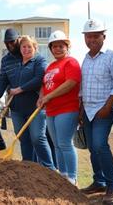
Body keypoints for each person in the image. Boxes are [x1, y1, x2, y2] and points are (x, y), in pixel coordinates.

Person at [78, 19, 113, 203]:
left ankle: (112, 185)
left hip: (105, 109)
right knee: (92, 148)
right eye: (88, 36)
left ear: (103, 37)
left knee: (99, 145)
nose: (91, 39)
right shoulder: (85, 59)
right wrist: (81, 110)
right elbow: (83, 86)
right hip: (89, 110)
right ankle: (99, 181)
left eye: (95, 36)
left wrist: (107, 107)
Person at [0, 30, 55, 170]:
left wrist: (19, 89)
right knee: (24, 139)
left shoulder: (38, 60)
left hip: (35, 107)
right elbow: (3, 79)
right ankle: (29, 168)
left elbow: (39, 79)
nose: (26, 49)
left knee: (38, 138)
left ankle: (49, 169)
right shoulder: (14, 62)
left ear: (34, 48)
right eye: (23, 47)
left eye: (29, 47)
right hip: (16, 108)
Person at [37, 30, 81, 185]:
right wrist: (42, 96)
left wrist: (49, 96)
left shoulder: (71, 62)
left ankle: (72, 177)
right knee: (56, 144)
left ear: (67, 46)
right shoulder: (50, 66)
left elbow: (71, 83)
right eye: (54, 46)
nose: (57, 49)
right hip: (51, 110)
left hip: (67, 109)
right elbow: (44, 84)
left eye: (61, 45)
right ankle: (62, 175)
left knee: (65, 143)